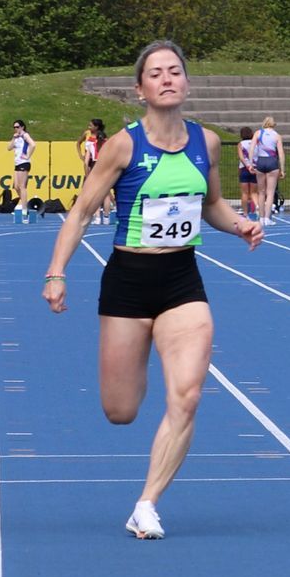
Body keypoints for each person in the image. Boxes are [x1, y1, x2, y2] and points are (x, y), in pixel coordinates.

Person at [42, 40, 262, 539]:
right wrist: (56, 271)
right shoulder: (123, 146)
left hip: (182, 280)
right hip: (127, 282)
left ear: (187, 83)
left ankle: (147, 504)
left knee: (187, 395)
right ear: (140, 89)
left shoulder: (207, 142)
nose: (166, 78)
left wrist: (240, 225)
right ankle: (135, 364)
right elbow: (81, 212)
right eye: (156, 73)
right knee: (120, 410)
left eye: (174, 71)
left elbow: (212, 204)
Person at [253, 116, 285, 223]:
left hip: (261, 161)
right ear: (273, 124)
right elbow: (281, 153)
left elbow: (252, 148)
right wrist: (282, 169)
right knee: (270, 193)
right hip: (272, 161)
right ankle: (267, 218)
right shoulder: (277, 136)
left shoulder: (258, 133)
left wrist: (251, 163)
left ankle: (261, 218)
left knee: (261, 192)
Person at [78, 118, 108, 222]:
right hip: (104, 166)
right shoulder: (107, 142)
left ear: (97, 127)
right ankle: (106, 217)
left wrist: (87, 174)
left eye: (91, 125)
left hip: (95, 166)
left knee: (95, 192)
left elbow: (86, 162)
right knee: (106, 193)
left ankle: (97, 216)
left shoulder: (90, 143)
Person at [10, 119, 35, 207]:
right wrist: (13, 138)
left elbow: (33, 144)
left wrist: (28, 156)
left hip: (23, 163)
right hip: (17, 163)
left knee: (22, 186)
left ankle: (24, 209)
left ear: (22, 127)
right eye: (14, 127)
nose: (16, 129)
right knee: (16, 186)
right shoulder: (16, 138)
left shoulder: (25, 135)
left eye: (17, 127)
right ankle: (26, 204)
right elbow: (9, 148)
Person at [236, 126, 259, 221]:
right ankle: (257, 207)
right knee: (254, 192)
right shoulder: (256, 143)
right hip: (255, 168)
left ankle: (245, 213)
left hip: (245, 169)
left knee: (245, 193)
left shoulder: (240, 144)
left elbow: (241, 157)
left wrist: (247, 166)